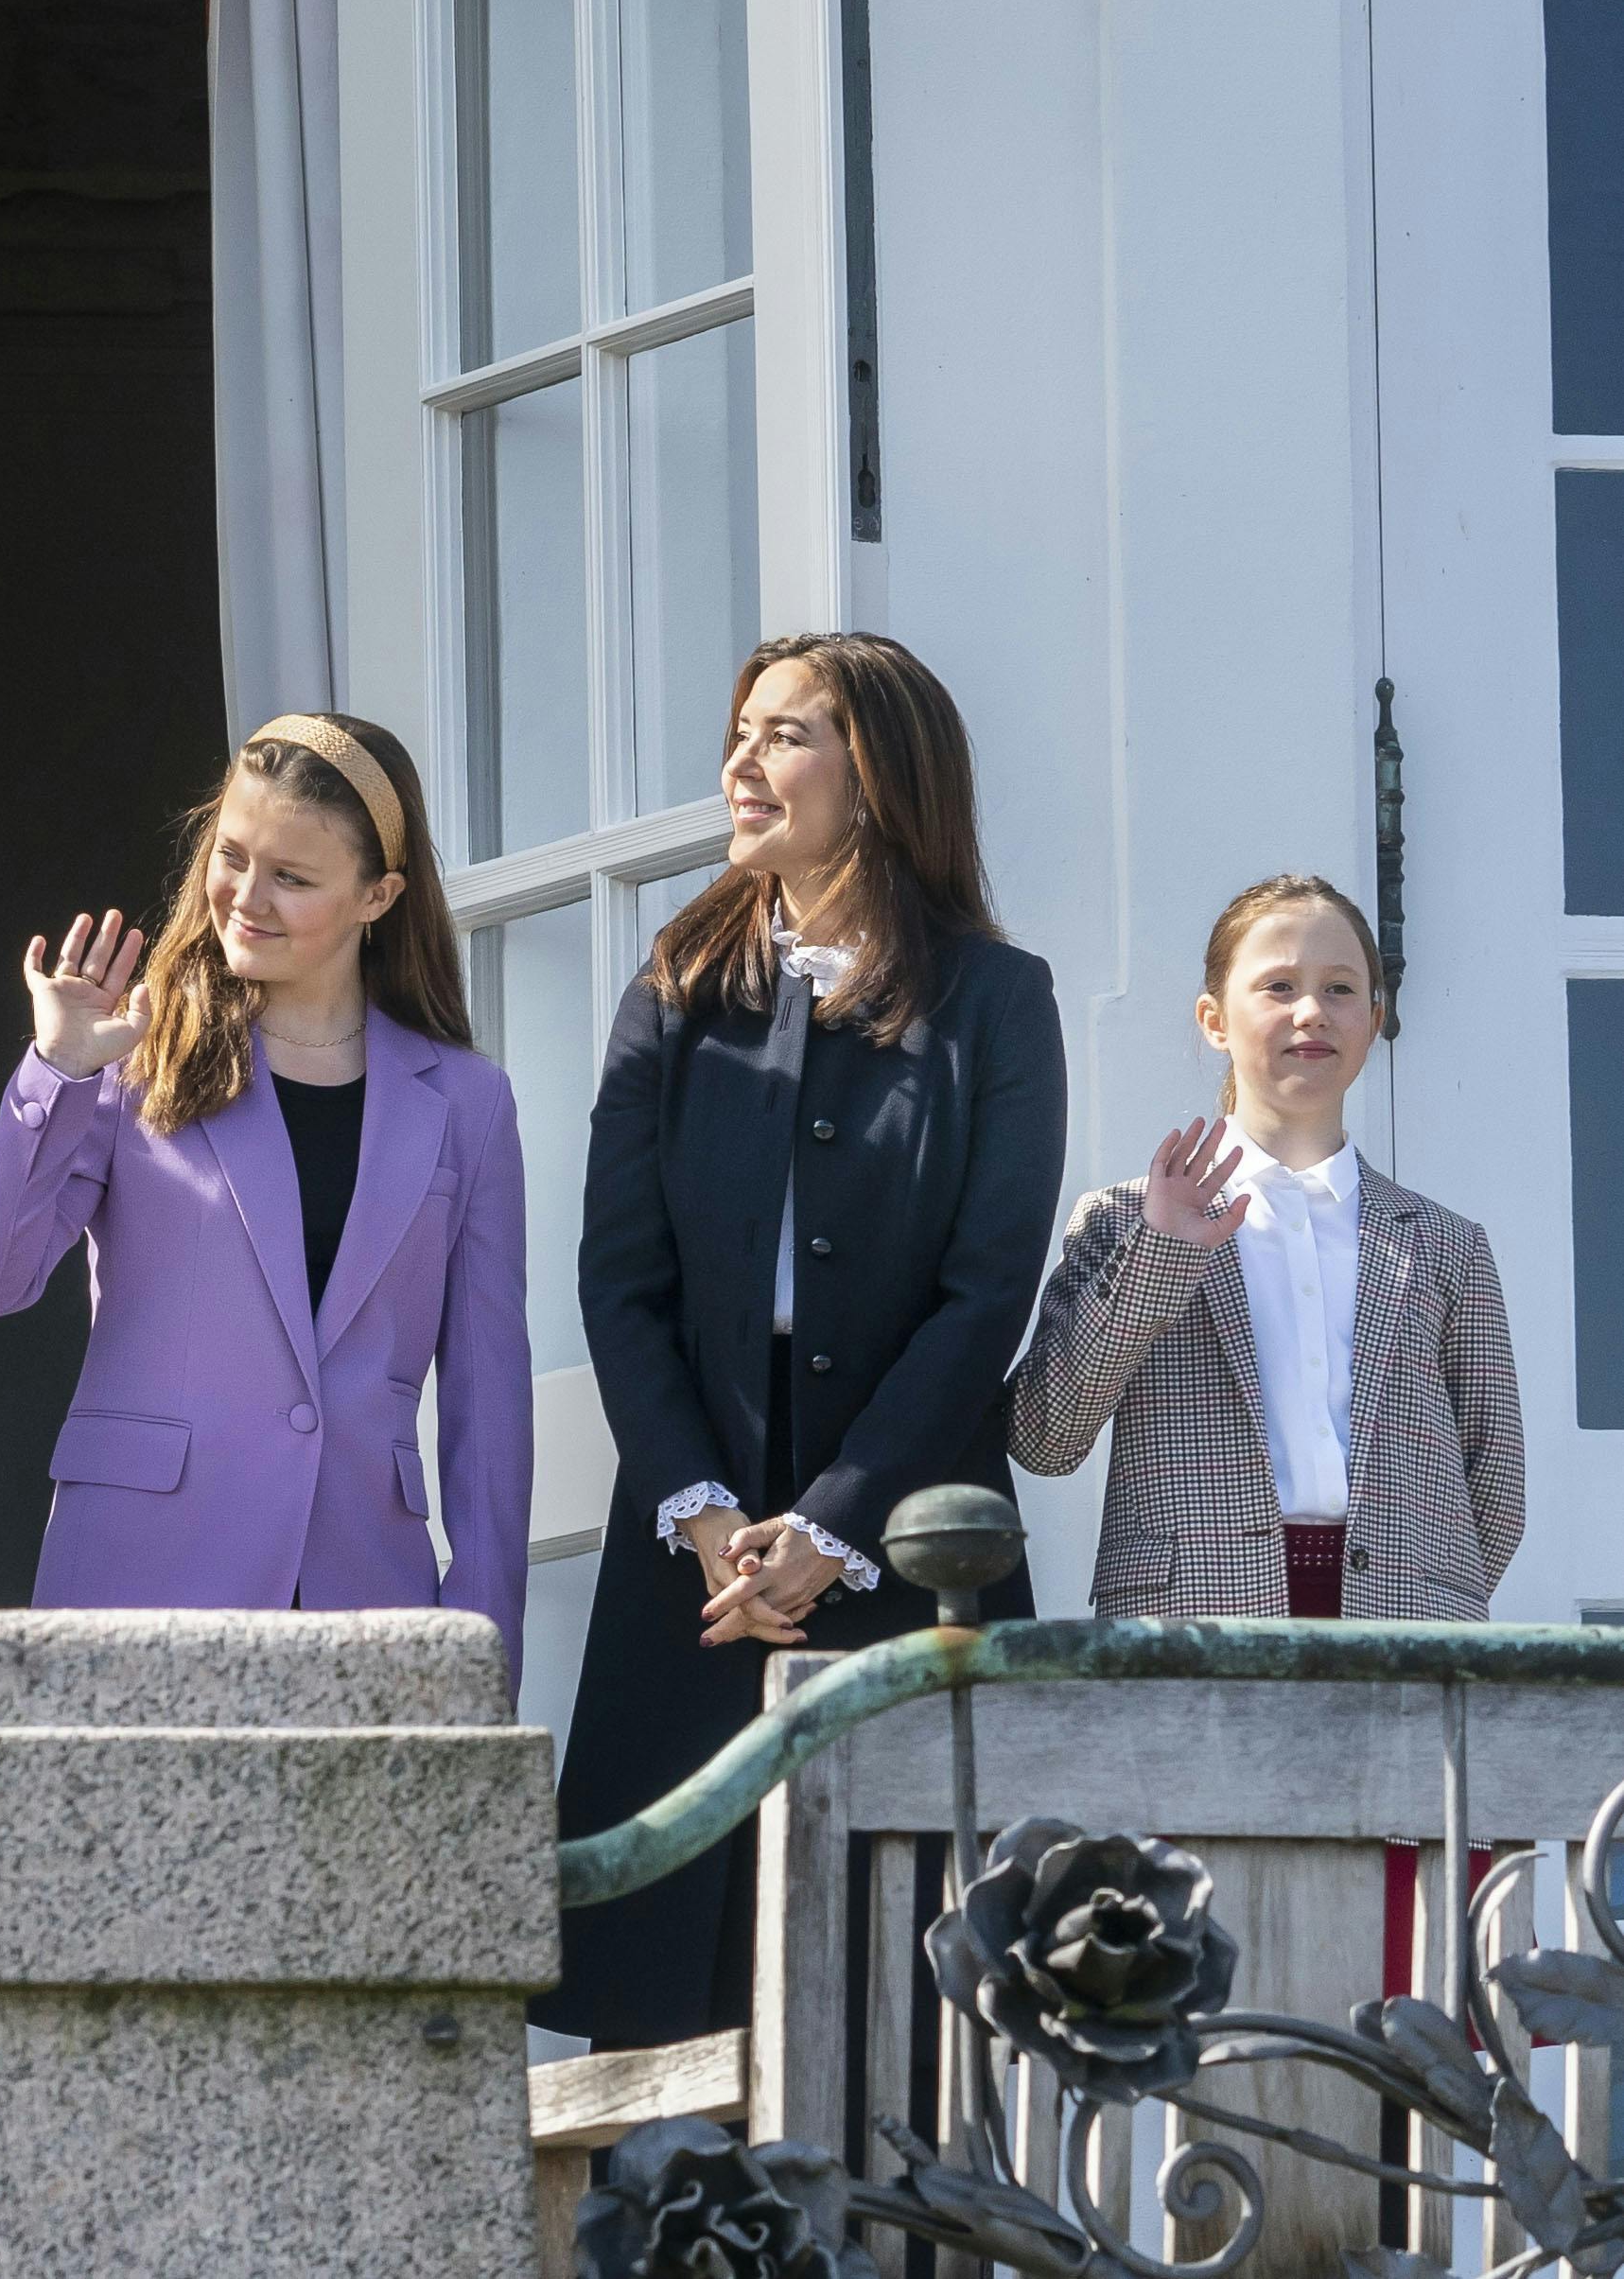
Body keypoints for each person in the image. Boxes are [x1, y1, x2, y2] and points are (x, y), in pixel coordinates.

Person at [541, 632, 1067, 2050]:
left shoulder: (995, 1000)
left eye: (786, 733)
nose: (741, 760)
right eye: (741, 730)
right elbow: (617, 1281)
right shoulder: (672, 984)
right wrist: (706, 1517)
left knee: (906, 2016)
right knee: (664, 2024)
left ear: (878, 773)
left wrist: (833, 1529)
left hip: (909, 1547)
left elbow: (985, 1294)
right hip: (692, 1554)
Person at [0, 714, 526, 1663]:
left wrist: (482, 1652)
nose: (244, 898)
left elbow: (488, 1410)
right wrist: (54, 1071)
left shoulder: (465, 1102)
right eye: (231, 856)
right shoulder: (129, 1052)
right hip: (134, 1593)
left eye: (290, 878)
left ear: (378, 895)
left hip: (364, 1610)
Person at [1008, 875, 1522, 1619]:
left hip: (1406, 1626)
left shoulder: (1446, 1244)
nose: (1311, 1010)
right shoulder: (1124, 1219)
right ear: (1214, 1020)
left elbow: (1496, 1489)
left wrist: (1429, 1591)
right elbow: (1044, 1436)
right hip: (1193, 1624)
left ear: (1374, 1020)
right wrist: (1161, 1253)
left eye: (1341, 988)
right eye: (1278, 985)